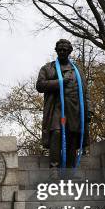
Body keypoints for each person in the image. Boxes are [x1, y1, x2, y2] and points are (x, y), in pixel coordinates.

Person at [36, 39, 91, 168]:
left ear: (69, 51)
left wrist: (89, 110)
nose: (62, 52)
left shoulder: (77, 70)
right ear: (56, 50)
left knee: (72, 137)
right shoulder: (48, 68)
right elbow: (39, 85)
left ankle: (70, 171)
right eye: (59, 49)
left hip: (75, 108)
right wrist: (59, 82)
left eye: (65, 50)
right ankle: (54, 169)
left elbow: (85, 91)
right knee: (57, 133)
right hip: (56, 107)